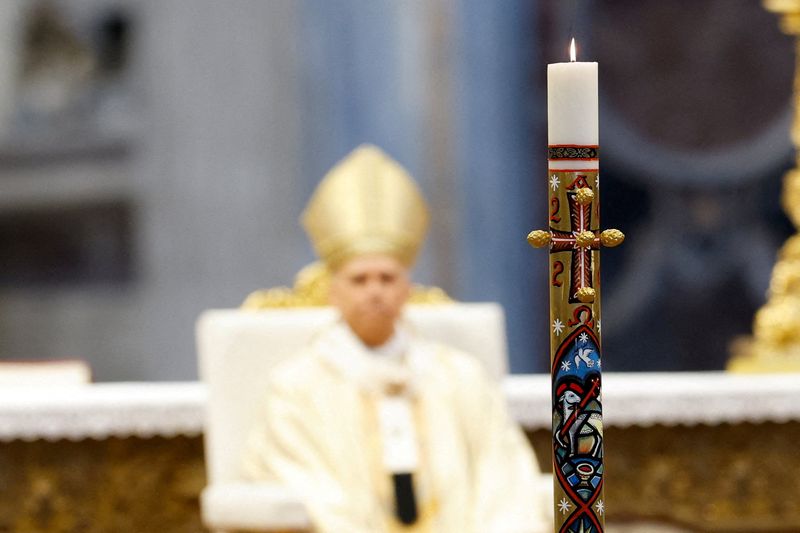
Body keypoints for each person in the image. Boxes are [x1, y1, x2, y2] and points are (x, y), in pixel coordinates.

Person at [241, 144, 550, 533]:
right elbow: (296, 480)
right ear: (332, 291)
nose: (374, 292)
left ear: (407, 288)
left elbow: (502, 479)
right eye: (359, 280)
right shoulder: (297, 386)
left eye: (387, 278)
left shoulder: (458, 377)